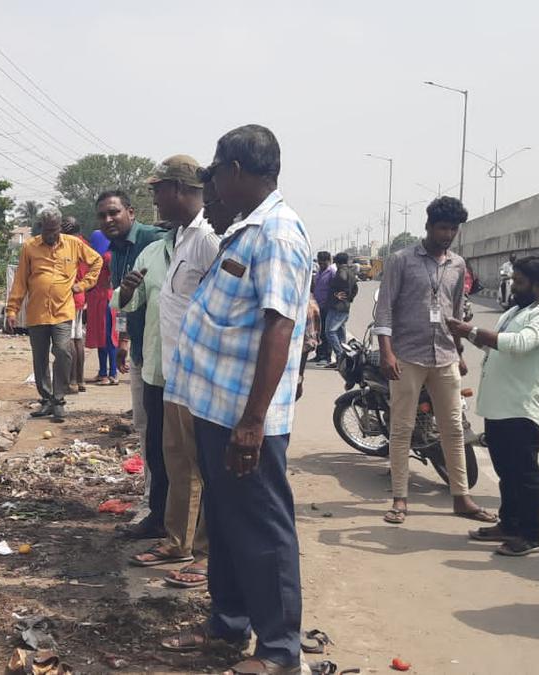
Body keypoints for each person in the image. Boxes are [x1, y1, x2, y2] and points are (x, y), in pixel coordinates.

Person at [161, 125, 310, 674]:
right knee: (225, 523)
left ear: (238, 171)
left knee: (264, 530)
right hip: (214, 410)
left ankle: (278, 653)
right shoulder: (244, 232)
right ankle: (227, 625)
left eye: (218, 173)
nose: (214, 186)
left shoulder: (277, 233)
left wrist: (252, 422)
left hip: (245, 420)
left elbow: (279, 328)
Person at [125, 155, 219, 586]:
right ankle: (177, 540)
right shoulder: (178, 237)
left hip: (202, 372)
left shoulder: (208, 238)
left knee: (203, 465)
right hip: (173, 370)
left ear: (178, 189)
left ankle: (205, 553)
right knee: (177, 461)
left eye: (157, 189)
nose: (154, 199)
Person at [373, 197, 496, 525]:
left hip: (444, 356)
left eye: (453, 229)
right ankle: (400, 499)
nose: (448, 234)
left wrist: (458, 352)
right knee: (402, 428)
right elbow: (384, 309)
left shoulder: (458, 264)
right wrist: (386, 351)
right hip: (406, 356)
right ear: (427, 226)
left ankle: (462, 498)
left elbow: (455, 313)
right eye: (443, 227)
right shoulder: (400, 260)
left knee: (453, 429)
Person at [448, 256, 539, 557]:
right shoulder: (518, 309)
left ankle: (530, 534)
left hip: (521, 406)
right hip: (499, 405)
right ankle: (509, 523)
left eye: (519, 281)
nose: (513, 286)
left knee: (523, 472)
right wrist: (468, 337)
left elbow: (517, 344)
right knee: (506, 471)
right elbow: (494, 344)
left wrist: (469, 330)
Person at [98, 189, 164, 529]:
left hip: (165, 352)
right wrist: (122, 339)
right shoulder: (116, 252)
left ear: (131, 212)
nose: (109, 220)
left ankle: (162, 506)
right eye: (103, 216)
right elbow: (123, 298)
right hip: (140, 349)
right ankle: (153, 500)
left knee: (165, 433)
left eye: (114, 213)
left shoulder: (156, 240)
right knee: (144, 428)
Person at [6, 209, 102, 422]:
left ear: (60, 227)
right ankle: (47, 399)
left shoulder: (73, 243)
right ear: (42, 227)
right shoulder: (30, 247)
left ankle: (59, 398)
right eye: (48, 230)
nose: (51, 234)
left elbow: (97, 261)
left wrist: (84, 284)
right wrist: (12, 310)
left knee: (63, 351)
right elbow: (20, 281)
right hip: (37, 313)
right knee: (39, 359)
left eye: (55, 229)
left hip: (62, 311)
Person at [85, 231, 119, 385]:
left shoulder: (105, 257)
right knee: (104, 336)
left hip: (103, 299)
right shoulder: (106, 255)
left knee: (107, 336)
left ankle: (110, 374)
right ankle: (104, 372)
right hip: (103, 298)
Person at [62, 217, 89, 393]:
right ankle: (80, 380)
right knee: (79, 338)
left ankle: (71, 380)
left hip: (68, 296)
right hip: (81, 295)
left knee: (69, 339)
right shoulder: (85, 244)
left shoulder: (68, 245)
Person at [323, 251, 358, 369]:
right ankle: (344, 359)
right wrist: (349, 297)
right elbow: (355, 289)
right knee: (340, 333)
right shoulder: (352, 273)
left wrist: (337, 293)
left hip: (337, 306)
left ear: (336, 262)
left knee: (329, 331)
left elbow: (342, 279)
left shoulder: (341, 271)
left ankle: (340, 356)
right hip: (344, 306)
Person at [311, 251, 336, 364]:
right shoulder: (319, 272)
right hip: (317, 306)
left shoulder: (332, 272)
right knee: (318, 332)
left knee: (326, 332)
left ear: (328, 261)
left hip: (327, 306)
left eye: (323, 263)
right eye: (319, 263)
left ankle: (326, 357)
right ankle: (319, 354)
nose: (321, 265)